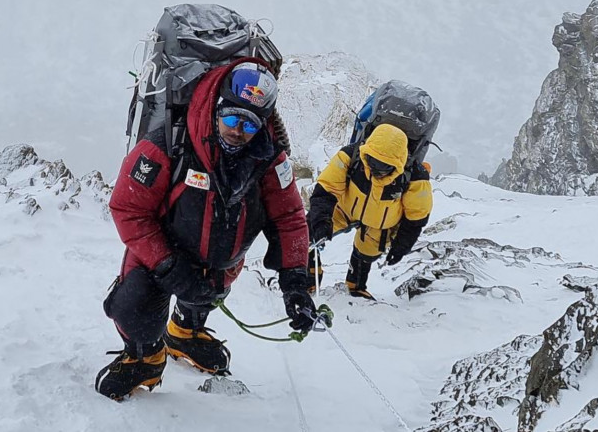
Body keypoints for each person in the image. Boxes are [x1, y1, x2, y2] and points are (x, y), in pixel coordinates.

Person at [95, 59, 316, 400]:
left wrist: (296, 284)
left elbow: (289, 219)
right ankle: (145, 357)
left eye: (249, 124)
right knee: (134, 305)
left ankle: (185, 332)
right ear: (216, 108)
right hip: (157, 258)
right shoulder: (168, 144)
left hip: (220, 263)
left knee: (204, 295)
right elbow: (129, 208)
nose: (237, 130)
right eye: (230, 117)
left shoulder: (270, 159)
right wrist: (167, 263)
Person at [306, 123, 433, 300]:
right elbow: (327, 189)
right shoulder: (350, 155)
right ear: (365, 153)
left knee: (367, 253)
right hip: (345, 208)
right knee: (307, 233)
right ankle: (307, 281)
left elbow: (416, 217)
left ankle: (355, 286)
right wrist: (320, 221)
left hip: (380, 223)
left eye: (384, 167)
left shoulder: (416, 177)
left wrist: (401, 246)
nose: (376, 170)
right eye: (372, 161)